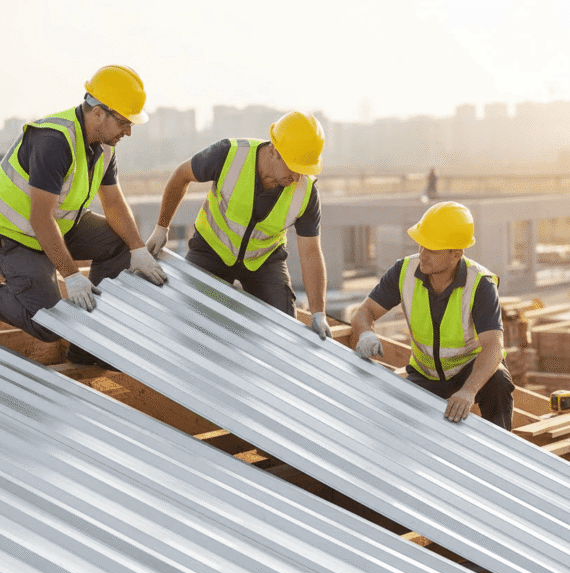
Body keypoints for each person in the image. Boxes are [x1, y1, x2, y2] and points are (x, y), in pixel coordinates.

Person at [0, 65, 166, 367]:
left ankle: (88, 342)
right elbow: (40, 219)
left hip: (61, 228)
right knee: (51, 326)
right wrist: (72, 276)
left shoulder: (104, 145)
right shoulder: (54, 141)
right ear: (99, 112)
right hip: (15, 235)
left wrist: (137, 249)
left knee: (121, 244)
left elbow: (113, 203)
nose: (128, 131)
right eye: (125, 122)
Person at [145, 111, 332, 339]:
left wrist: (318, 312)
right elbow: (181, 175)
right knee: (188, 316)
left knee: (281, 328)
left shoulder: (307, 193)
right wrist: (162, 228)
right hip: (212, 250)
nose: (297, 177)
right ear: (273, 151)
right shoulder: (229, 154)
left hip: (263, 260)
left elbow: (311, 253)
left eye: (304, 170)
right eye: (293, 167)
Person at [351, 201, 515, 430]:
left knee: (498, 383)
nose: (423, 255)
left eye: (432, 250)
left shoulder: (480, 284)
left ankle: (502, 455)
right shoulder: (403, 271)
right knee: (392, 417)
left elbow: (493, 346)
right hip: (424, 374)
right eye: (421, 246)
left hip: (468, 371)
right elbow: (364, 311)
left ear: (456, 254)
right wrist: (366, 334)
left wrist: (468, 391)